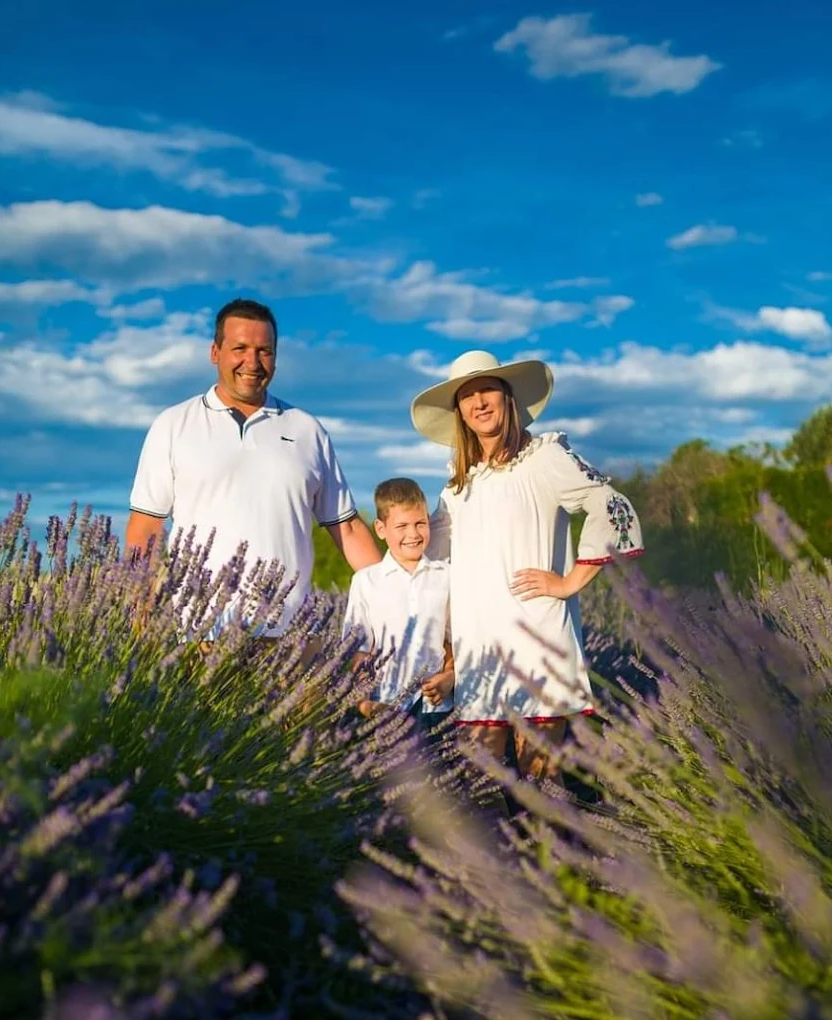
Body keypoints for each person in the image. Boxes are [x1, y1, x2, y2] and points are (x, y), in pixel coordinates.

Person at [410, 349, 644, 782]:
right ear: (459, 411)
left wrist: (570, 582)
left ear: (508, 398)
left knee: (540, 783)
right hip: (478, 646)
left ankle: (554, 849)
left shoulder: (544, 458)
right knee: (485, 781)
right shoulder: (458, 485)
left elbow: (612, 505)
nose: (479, 402)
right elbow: (431, 558)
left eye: (488, 391)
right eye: (468, 396)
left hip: (536, 637)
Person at [125, 298, 381, 642]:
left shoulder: (307, 429)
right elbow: (146, 529)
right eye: (240, 348)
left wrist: (394, 594)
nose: (253, 362)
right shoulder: (173, 425)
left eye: (265, 351)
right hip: (198, 635)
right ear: (215, 352)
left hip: (289, 639)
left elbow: (347, 528)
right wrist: (139, 616)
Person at [342, 477, 454, 743]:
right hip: (384, 705)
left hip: (435, 707)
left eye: (420, 523)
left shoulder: (447, 575)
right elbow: (356, 649)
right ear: (380, 528)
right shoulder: (366, 582)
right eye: (401, 526)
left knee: (438, 781)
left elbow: (456, 640)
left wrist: (449, 678)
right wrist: (365, 704)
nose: (413, 534)